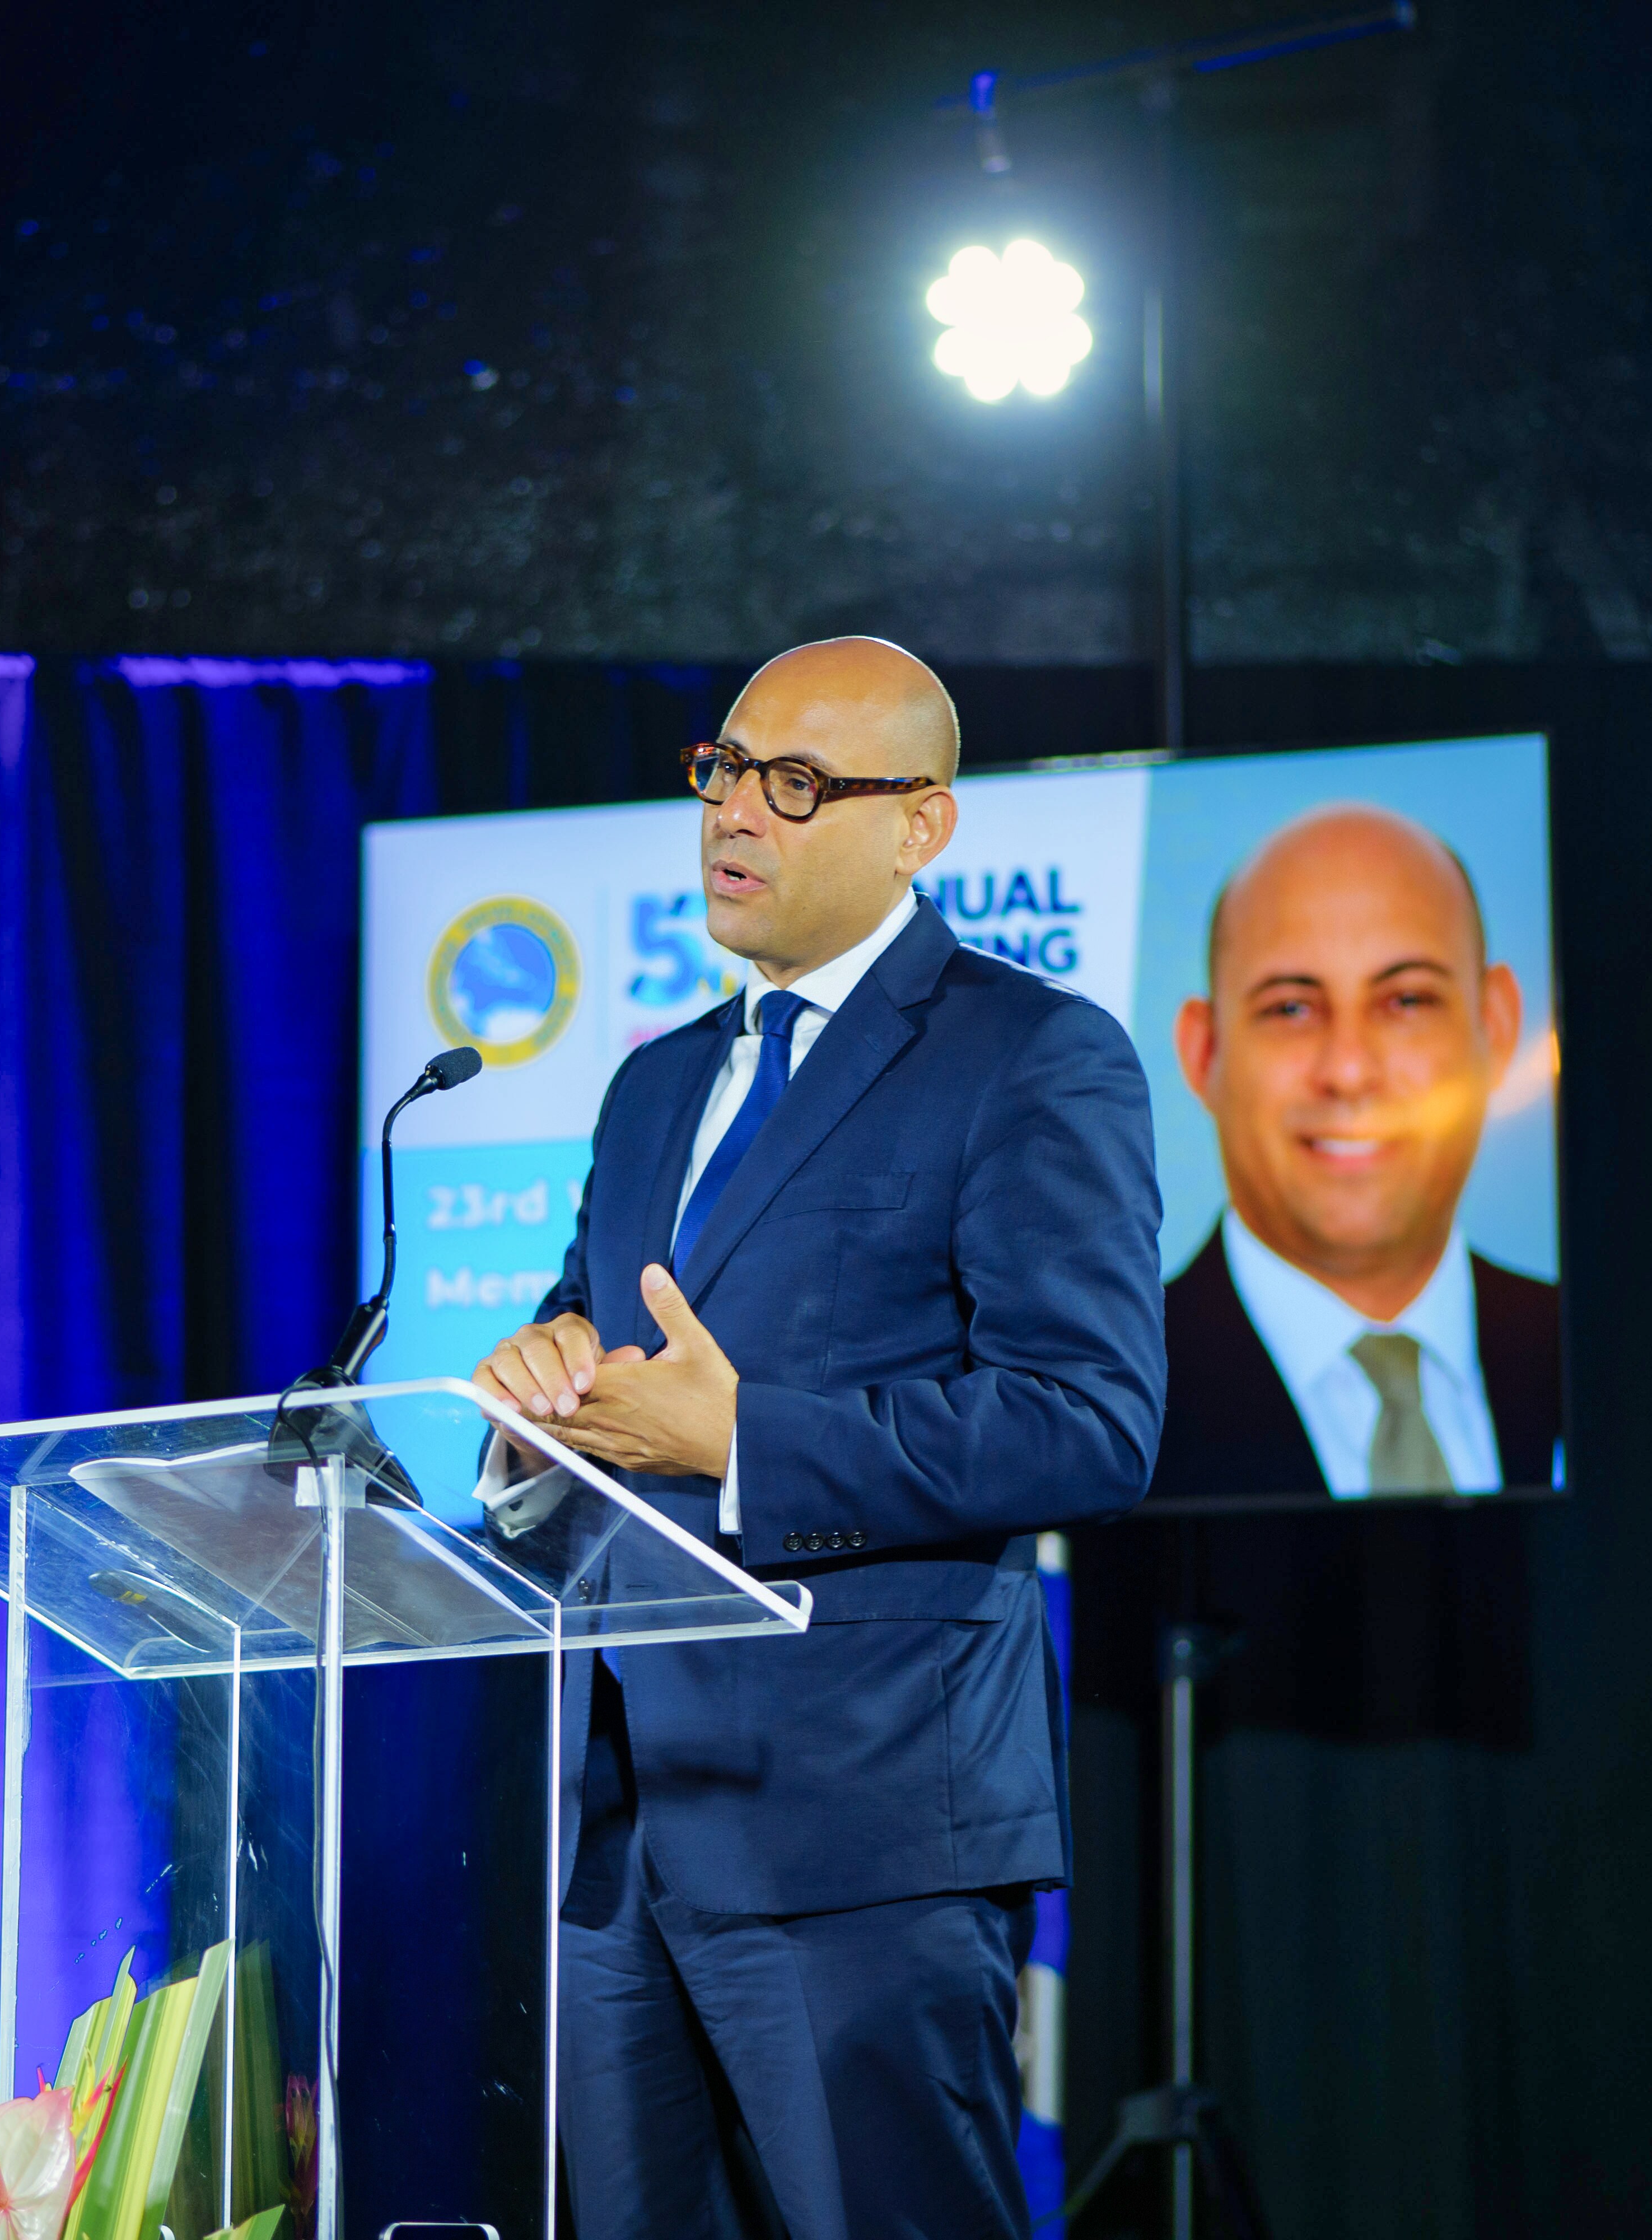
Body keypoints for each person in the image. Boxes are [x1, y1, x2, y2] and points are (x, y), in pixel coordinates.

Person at [469, 636, 1166, 2238]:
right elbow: (605, 1345)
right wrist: (540, 1397)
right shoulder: (655, 1086)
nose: (737, 815)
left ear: (922, 826)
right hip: (626, 1832)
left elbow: (1090, 1422)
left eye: (796, 786)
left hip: (866, 1828)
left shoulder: (1030, 1056)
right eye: (722, 770)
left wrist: (747, 1443)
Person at [1153, 802, 1560, 1500]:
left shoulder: (1615, 1357)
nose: (1347, 1070)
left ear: (1495, 1028)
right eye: (1291, 1008)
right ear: (1204, 1053)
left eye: (1406, 1001)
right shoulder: (1101, 1400)